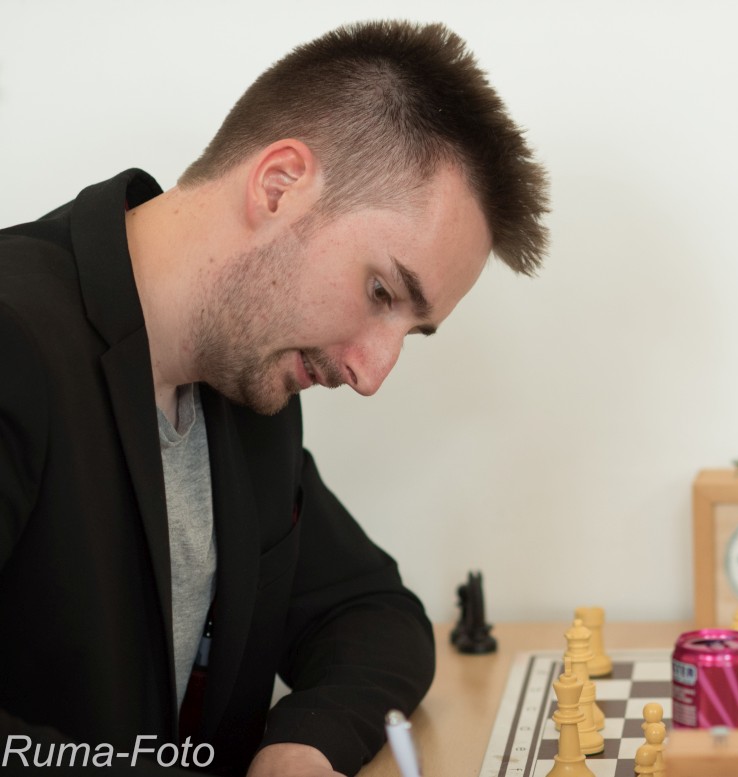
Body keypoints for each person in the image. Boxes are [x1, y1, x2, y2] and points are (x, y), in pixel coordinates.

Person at [0, 20, 549, 777]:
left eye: (411, 331)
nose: (371, 373)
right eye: (381, 291)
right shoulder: (13, 340)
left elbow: (371, 612)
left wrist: (304, 746)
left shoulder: (246, 381)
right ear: (279, 184)